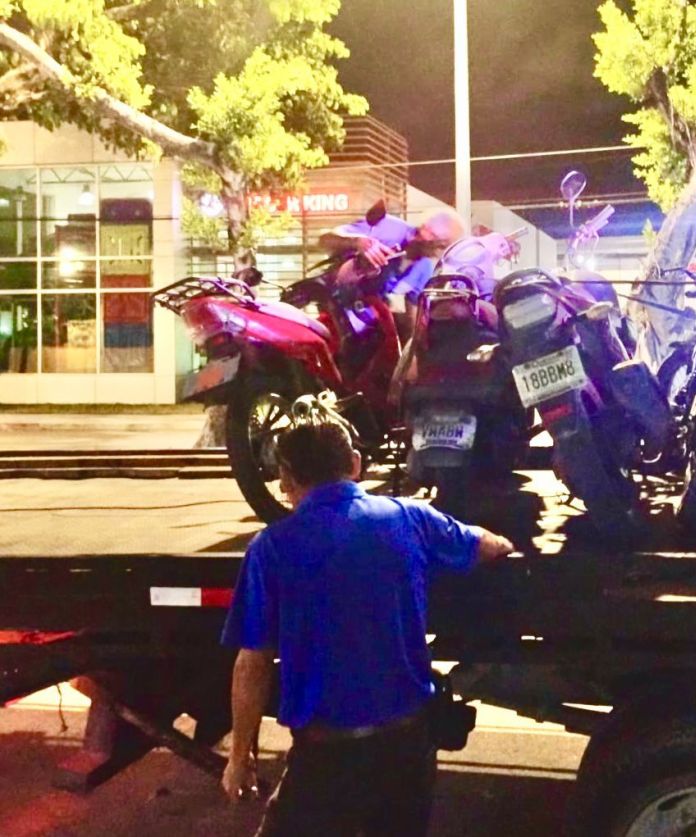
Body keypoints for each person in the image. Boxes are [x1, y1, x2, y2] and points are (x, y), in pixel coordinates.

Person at [220, 422, 514, 836]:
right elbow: (485, 545)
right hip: (406, 747)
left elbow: (252, 665)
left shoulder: (271, 549)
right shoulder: (409, 518)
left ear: (286, 480)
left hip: (324, 757)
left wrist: (238, 757)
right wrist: (503, 543)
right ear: (355, 464)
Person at [319, 208, 466, 340]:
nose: (436, 251)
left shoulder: (424, 267)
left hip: (369, 330)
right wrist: (357, 242)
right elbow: (324, 240)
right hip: (333, 310)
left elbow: (412, 317)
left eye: (442, 246)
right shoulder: (390, 228)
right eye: (437, 243)